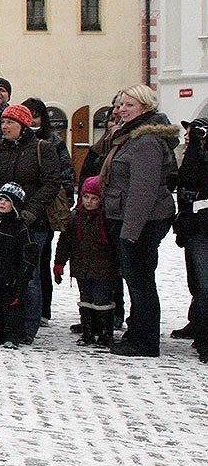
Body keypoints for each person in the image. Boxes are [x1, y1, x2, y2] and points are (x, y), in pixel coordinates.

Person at [100, 85, 178, 357]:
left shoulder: (145, 141)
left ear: (145, 108)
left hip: (143, 220)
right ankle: (137, 331)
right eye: (121, 105)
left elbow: (143, 190)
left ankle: (145, 340)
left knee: (140, 280)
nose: (122, 110)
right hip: (131, 217)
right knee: (137, 278)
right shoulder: (132, 135)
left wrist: (131, 230)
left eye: (129, 105)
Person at [0, 103, 64, 343]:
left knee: (28, 276)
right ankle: (0, 325)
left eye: (11, 123)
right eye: (4, 122)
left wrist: (29, 212)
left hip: (31, 223)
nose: (5, 126)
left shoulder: (42, 148)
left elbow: (51, 183)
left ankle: (28, 327)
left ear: (23, 126)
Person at [21, 97, 74, 329]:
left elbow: (65, 173)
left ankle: (43, 309)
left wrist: (66, 202)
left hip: (45, 211)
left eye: (36, 115)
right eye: (28, 114)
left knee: (41, 260)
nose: (32, 119)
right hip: (21, 209)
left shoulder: (51, 140)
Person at [56, 177, 120, 348]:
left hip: (104, 268)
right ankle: (88, 331)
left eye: (94, 198)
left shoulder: (107, 219)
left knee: (102, 301)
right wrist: (59, 263)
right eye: (86, 198)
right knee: (85, 299)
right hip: (81, 267)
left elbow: (115, 244)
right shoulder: (74, 218)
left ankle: (105, 333)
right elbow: (65, 242)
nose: (89, 202)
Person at [0, 182, 37, 349]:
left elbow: (29, 255)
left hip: (12, 277)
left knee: (12, 307)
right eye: (0, 200)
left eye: (7, 201)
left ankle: (12, 335)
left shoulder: (20, 227)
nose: (2, 203)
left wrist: (22, 276)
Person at [175, 119, 208, 359]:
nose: (189, 138)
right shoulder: (194, 155)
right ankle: (198, 327)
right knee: (197, 281)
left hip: (201, 226)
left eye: (193, 135)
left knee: (204, 285)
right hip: (195, 225)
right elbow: (187, 180)